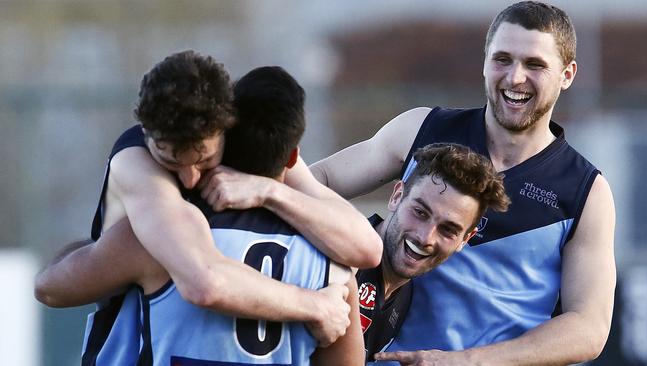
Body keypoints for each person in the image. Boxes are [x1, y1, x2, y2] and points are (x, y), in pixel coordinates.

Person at [311, 2, 616, 365]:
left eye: (534, 64)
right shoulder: (420, 129)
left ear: (567, 75)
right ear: (485, 61)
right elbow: (321, 180)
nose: (515, 78)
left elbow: (589, 328)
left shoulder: (586, 191)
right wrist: (261, 186)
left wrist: (467, 360)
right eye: (502, 59)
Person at [35, 51, 380, 363]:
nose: (187, 180)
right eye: (168, 160)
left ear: (228, 125)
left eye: (203, 160)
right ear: (146, 133)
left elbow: (368, 248)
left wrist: (266, 192)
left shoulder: (144, 244)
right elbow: (205, 282)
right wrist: (314, 306)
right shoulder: (138, 168)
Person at [357, 143, 510, 363]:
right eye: (419, 212)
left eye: (448, 230)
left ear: (464, 240)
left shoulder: (404, 298)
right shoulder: (341, 253)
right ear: (397, 196)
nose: (425, 237)